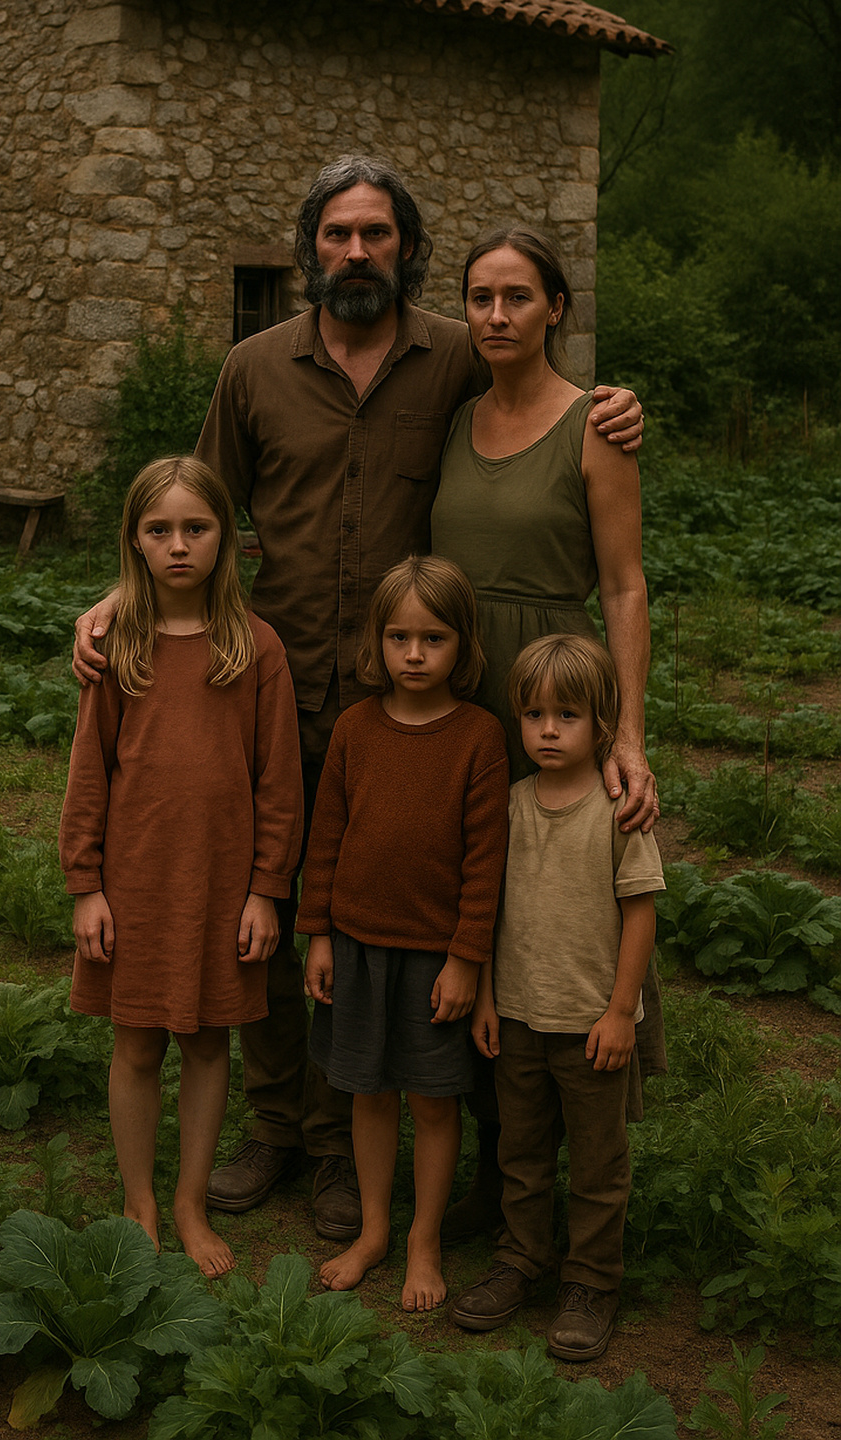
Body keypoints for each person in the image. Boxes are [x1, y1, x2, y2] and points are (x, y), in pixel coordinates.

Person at [74, 155, 644, 1241]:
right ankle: (280, 1123)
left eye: (376, 234)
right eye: (336, 234)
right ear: (308, 251)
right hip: (269, 688)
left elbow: (543, 401)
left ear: (407, 250)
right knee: (274, 919)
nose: (355, 253)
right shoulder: (253, 369)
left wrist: (619, 403)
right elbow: (186, 507)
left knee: (400, 919)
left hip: (411, 702)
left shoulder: (453, 365)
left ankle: (357, 1140)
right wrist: (112, 599)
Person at [430, 223, 659, 1240]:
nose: (497, 314)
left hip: (553, 696)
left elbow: (623, 584)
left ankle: (588, 1160)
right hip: (464, 691)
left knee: (567, 911)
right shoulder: (453, 417)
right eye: (480, 297)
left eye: (519, 296)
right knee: (480, 917)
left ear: (556, 308)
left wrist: (628, 734)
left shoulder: (596, 426)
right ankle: (496, 1161)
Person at [59, 455, 302, 1277]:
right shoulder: (116, 645)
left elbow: (279, 782)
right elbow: (88, 773)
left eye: (195, 528)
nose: (178, 546)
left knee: (205, 1046)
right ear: (134, 542)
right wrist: (86, 887)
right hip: (134, 886)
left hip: (221, 888)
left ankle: (193, 1202)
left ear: (226, 540)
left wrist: (267, 891)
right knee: (135, 1047)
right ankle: (140, 1201)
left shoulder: (255, 648)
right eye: (159, 531)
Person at [298, 557, 508, 1311]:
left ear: (463, 645)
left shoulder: (479, 737)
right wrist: (316, 933)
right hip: (355, 947)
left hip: (435, 959)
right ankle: (375, 1231)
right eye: (398, 637)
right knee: (368, 1093)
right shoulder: (355, 728)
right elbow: (324, 838)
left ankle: (425, 1239)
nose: (414, 655)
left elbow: (487, 864)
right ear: (376, 643)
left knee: (433, 1100)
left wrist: (466, 960)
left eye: (433, 638)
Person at [453, 634, 664, 1362]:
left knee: (599, 1164)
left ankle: (593, 1279)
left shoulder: (617, 812)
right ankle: (522, 1258)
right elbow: (485, 909)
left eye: (567, 715)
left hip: (589, 1025)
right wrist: (483, 997)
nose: (548, 729)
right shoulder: (509, 805)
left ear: (603, 725)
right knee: (521, 1150)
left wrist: (618, 1012)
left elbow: (641, 912)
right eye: (535, 714)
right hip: (515, 1017)